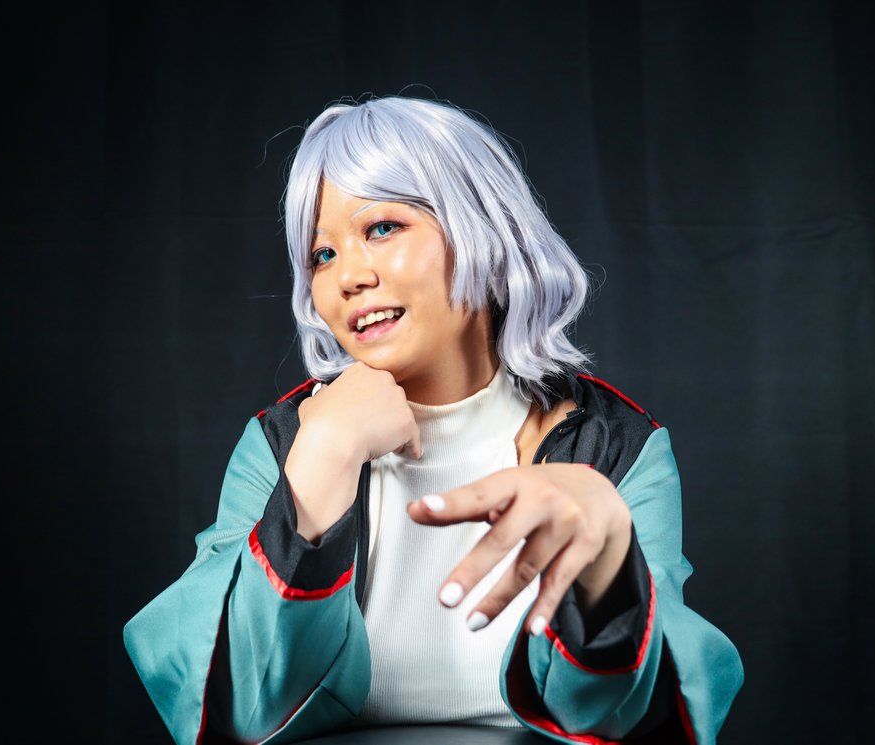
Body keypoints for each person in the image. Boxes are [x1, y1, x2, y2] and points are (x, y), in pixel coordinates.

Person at [124, 95, 743, 745]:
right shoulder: (281, 444)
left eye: (382, 227)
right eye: (321, 254)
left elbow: (618, 716)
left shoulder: (616, 449)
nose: (347, 277)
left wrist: (609, 570)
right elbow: (244, 711)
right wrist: (324, 458)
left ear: (483, 229)